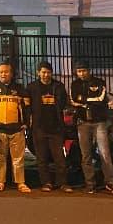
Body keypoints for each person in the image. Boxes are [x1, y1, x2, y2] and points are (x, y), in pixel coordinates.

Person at [70, 60, 113, 195]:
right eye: (79, 71)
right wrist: (90, 100)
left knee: (105, 153)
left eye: (84, 71)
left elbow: (101, 99)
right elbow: (74, 100)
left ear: (89, 70)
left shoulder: (99, 82)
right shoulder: (75, 84)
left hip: (99, 122)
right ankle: (90, 183)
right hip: (83, 122)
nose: (82, 74)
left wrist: (84, 100)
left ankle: (110, 182)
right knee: (85, 155)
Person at [0, 62, 32, 193]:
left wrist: (26, 123)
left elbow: (27, 108)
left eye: (6, 71)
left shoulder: (20, 89)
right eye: (1, 72)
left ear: (11, 73)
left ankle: (20, 183)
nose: (3, 74)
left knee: (18, 158)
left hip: (17, 130)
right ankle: (0, 182)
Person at [25, 61, 72, 192]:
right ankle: (46, 183)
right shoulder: (32, 87)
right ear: (38, 73)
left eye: (48, 72)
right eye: (43, 72)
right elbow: (27, 107)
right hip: (38, 127)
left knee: (59, 158)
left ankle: (62, 183)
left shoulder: (58, 86)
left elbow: (64, 103)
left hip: (56, 127)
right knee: (42, 157)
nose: (46, 75)